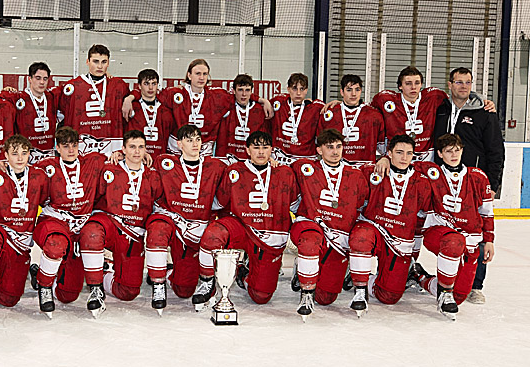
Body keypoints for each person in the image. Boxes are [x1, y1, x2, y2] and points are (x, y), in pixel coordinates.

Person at [198, 130, 299, 305]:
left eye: (265, 148)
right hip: (242, 228)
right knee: (214, 235)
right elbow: (218, 203)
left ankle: (243, 273)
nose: (261, 152)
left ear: (272, 150)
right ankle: (207, 282)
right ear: (247, 150)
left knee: (261, 296)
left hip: (270, 235)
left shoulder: (285, 173)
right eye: (256, 147)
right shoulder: (234, 171)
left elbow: (296, 206)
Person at [432, 67, 505, 304]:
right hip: (442, 181)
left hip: (472, 184)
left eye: (467, 82)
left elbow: (495, 150)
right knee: (440, 230)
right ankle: (441, 277)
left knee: (476, 230)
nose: (463, 86)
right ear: (450, 84)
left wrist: (492, 184)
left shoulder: (484, 113)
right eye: (459, 82)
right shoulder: (440, 109)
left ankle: (475, 284)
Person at [347, 134, 434, 315]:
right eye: (399, 152)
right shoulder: (373, 172)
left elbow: (422, 218)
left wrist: (414, 250)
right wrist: (381, 160)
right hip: (374, 230)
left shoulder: (422, 182)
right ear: (389, 153)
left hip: (399, 240)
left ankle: (366, 276)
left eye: (409, 153)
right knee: (361, 237)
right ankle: (360, 289)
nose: (404, 158)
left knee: (389, 296)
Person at [409, 134, 495, 316]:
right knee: (454, 242)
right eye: (448, 151)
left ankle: (420, 277)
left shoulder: (478, 177)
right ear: (440, 154)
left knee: (459, 297)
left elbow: (486, 211)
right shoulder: (431, 172)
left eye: (457, 150)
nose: (454, 154)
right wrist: (384, 159)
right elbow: (403, 162)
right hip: (438, 232)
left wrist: (489, 240)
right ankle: (445, 292)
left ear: (462, 151)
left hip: (469, 240)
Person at [287, 129, 370, 318]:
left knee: (326, 297)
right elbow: (281, 172)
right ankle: (306, 293)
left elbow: (360, 204)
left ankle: (304, 267)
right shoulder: (305, 168)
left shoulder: (355, 175)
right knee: (309, 241)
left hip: (338, 236)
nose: (335, 151)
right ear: (319, 150)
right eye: (329, 147)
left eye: (338, 146)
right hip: (311, 226)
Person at [85, 130, 168, 313]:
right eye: (132, 147)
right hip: (112, 225)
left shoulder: (153, 176)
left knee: (128, 292)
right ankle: (95, 286)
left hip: (134, 235)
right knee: (92, 231)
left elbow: (159, 203)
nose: (136, 151)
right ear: (123, 149)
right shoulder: (110, 169)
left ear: (146, 150)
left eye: (141, 147)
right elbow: (95, 196)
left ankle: (105, 273)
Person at [32, 126, 110, 315]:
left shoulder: (92, 161)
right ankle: (44, 286)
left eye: (74, 145)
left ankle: (96, 287)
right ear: (57, 148)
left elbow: (119, 159)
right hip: (56, 220)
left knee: (68, 295)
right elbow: (20, 173)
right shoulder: (45, 167)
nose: (71, 150)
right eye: (66, 146)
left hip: (80, 225)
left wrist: (119, 155)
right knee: (56, 244)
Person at [150, 125, 228, 310]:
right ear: (179, 144)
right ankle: (158, 283)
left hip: (197, 226)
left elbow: (243, 173)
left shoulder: (216, 166)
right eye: (189, 140)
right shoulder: (164, 162)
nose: (195, 144)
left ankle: (173, 272)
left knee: (184, 289)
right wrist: (120, 156)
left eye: (198, 140)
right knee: (157, 229)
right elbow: (139, 170)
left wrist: (271, 162)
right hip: (174, 222)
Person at [0, 135, 49, 317]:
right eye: (15, 154)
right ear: (5, 155)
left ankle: (24, 272)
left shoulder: (39, 176)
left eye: (24, 153)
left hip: (21, 240)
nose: (20, 158)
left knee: (9, 298)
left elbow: (46, 201)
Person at [56, 44, 131, 154]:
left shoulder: (119, 85)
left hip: (112, 151)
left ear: (108, 63)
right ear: (87, 62)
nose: (100, 66)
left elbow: (142, 94)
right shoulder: (73, 86)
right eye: (96, 61)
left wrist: (130, 98)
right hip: (81, 150)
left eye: (104, 62)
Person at [371, 66, 448, 162]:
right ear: (400, 86)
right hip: (398, 157)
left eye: (417, 83)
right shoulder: (386, 100)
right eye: (408, 83)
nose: (413, 87)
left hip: (427, 158)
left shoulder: (433, 97)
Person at [0, 61, 59, 162]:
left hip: (48, 156)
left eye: (45, 79)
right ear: (29, 79)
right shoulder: (18, 98)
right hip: (25, 158)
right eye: (38, 78)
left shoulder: (52, 97)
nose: (42, 82)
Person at [317, 74, 385, 164]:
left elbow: (382, 148)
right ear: (342, 92)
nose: (353, 94)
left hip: (365, 166)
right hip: (336, 166)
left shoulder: (374, 115)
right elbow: (320, 143)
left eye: (357, 90)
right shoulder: (329, 113)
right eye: (349, 90)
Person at [269, 72, 324, 165]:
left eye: (302, 89)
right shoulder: (279, 102)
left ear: (306, 90)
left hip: (305, 160)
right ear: (288, 89)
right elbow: (256, 102)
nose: (298, 93)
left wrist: (336, 102)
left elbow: (338, 108)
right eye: (294, 88)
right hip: (280, 158)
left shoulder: (316, 107)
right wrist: (261, 100)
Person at [215, 74, 270, 161]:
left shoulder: (258, 110)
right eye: (240, 90)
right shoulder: (225, 104)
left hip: (250, 159)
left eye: (247, 90)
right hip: (226, 158)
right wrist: (261, 99)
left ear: (251, 91)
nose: (244, 94)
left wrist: (264, 101)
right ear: (234, 91)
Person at [123, 69, 175, 157]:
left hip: (159, 158)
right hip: (136, 157)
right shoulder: (131, 107)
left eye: (154, 83)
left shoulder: (165, 109)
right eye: (146, 84)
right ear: (139, 86)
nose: (151, 88)